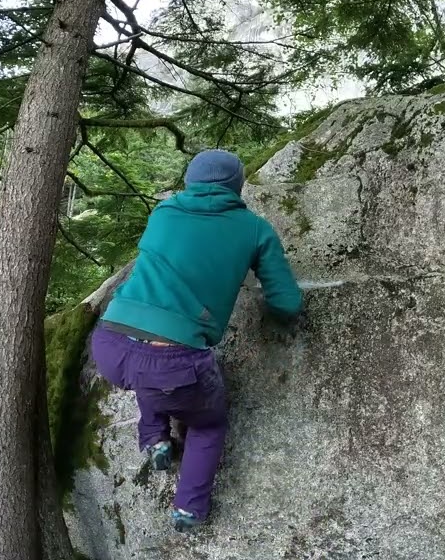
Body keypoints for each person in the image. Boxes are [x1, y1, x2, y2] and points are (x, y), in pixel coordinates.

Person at [90, 149, 303, 532]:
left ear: (190, 181)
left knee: (147, 366)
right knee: (207, 425)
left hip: (110, 343)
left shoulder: (164, 212)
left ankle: (154, 437)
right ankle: (188, 508)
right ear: (237, 186)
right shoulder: (255, 229)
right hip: (174, 363)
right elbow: (286, 302)